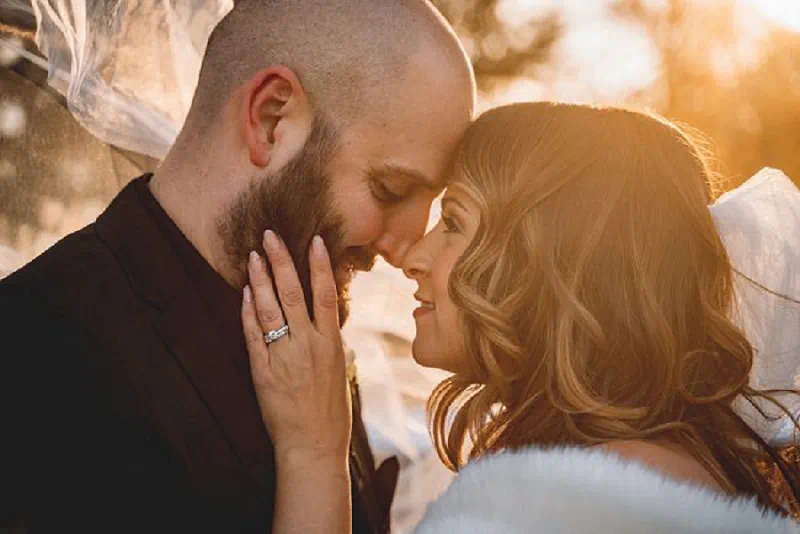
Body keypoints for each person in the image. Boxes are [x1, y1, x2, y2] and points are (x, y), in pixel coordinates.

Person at [0, 1, 475, 532]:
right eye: (390, 190)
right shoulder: (31, 352)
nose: (407, 248)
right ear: (271, 119)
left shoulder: (313, 347)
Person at [242, 102, 800, 532]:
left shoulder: (548, 509)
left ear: (548, 265)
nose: (413, 257)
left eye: (455, 223)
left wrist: (311, 453)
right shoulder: (678, 477)